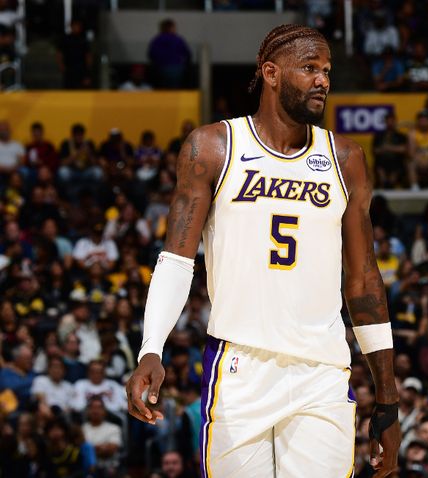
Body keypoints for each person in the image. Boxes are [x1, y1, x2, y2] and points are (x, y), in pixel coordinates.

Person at [126, 24, 401, 477]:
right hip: (240, 365)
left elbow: (364, 281)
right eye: (309, 68)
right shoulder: (213, 147)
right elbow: (176, 260)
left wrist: (388, 399)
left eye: (327, 70)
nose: (322, 80)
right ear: (271, 73)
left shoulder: (346, 159)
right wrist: (150, 348)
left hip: (322, 370)